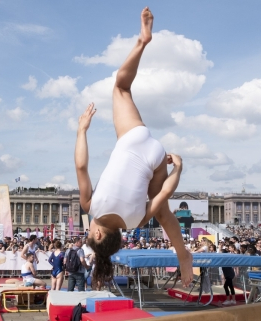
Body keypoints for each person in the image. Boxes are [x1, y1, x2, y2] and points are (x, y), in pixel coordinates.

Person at [75, 8, 191, 288]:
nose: (87, 228)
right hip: (133, 139)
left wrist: (179, 168)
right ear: (99, 235)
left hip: (155, 155)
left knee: (163, 212)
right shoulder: (89, 206)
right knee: (121, 88)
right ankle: (142, 41)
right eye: (89, 233)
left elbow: (164, 193)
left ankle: (183, 255)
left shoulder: (136, 222)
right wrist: (82, 130)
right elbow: (81, 166)